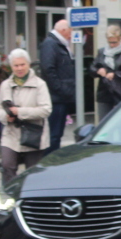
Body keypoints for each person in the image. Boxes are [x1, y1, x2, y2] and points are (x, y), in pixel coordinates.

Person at [0, 49, 51, 185]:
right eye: (16, 65)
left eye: (22, 65)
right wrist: (6, 117)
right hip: (11, 134)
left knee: (32, 173)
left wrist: (20, 112)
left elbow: (46, 110)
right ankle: (10, 197)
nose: (19, 68)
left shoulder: (39, 84)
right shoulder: (5, 85)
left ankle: (31, 199)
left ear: (28, 64)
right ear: (11, 67)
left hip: (33, 135)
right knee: (7, 166)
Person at [39, 18, 75, 151]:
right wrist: (61, 90)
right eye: (70, 31)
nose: (71, 35)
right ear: (63, 30)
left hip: (61, 97)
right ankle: (49, 161)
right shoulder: (51, 44)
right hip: (56, 98)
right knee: (53, 135)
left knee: (57, 134)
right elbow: (48, 70)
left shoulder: (59, 44)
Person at [92, 25, 121, 122]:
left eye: (114, 42)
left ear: (120, 39)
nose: (112, 45)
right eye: (109, 42)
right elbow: (92, 68)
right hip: (104, 91)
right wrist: (98, 71)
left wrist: (115, 74)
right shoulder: (102, 52)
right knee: (103, 122)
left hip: (120, 91)